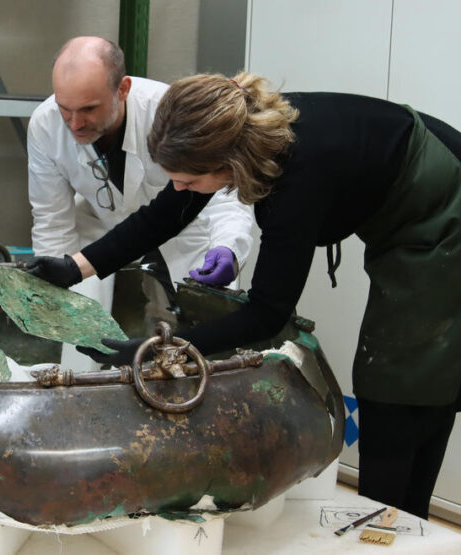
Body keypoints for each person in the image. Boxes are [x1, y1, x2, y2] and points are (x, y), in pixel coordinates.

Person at [27, 72, 461, 520]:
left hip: (443, 204)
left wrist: (164, 349)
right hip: (402, 199)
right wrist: (75, 267)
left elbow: (267, 314)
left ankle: (392, 526)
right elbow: (162, 216)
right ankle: (397, 520)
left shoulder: (295, 180)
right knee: (413, 371)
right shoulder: (233, 135)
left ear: (227, 166)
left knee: (400, 375)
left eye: (189, 182)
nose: (179, 189)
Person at [28, 36, 253, 293]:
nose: (74, 123)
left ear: (123, 89)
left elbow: (224, 193)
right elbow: (52, 220)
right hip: (99, 234)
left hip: (185, 235)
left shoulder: (169, 112)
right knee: (83, 323)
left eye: (89, 109)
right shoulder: (45, 124)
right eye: (64, 108)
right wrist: (53, 293)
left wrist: (227, 245)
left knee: (200, 323)